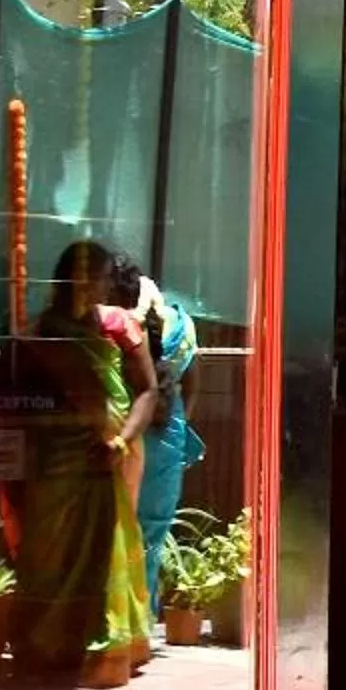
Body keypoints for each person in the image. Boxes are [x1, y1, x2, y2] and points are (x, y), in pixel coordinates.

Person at [16, 239, 157, 684]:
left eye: (95, 276)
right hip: (57, 453)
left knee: (109, 542)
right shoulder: (43, 329)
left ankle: (108, 645)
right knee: (50, 546)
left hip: (111, 449)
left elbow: (148, 390)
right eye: (79, 275)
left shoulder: (117, 325)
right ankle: (49, 644)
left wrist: (123, 438)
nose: (88, 284)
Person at [108, 251, 207, 614]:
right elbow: (194, 380)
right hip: (168, 431)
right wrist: (178, 432)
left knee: (113, 533)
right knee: (149, 538)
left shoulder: (107, 327)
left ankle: (113, 627)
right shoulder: (180, 324)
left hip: (121, 432)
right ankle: (142, 624)